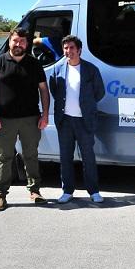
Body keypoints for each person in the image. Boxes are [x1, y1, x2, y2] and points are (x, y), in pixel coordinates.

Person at [0, 28, 50, 211]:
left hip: (30, 119)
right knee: (4, 157)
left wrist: (44, 115)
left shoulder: (34, 64)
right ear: (10, 41)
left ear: (27, 44)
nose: (18, 44)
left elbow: (44, 90)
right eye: (15, 41)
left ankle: (35, 191)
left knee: (31, 155)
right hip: (4, 120)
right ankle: (1, 195)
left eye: (22, 41)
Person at [49, 35, 106, 204]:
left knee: (88, 157)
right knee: (65, 157)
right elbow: (54, 90)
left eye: (72, 48)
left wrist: (86, 104)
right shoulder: (57, 69)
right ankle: (67, 191)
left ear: (79, 50)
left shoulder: (90, 69)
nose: (68, 51)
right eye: (66, 48)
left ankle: (94, 191)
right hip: (65, 120)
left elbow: (99, 92)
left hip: (84, 121)